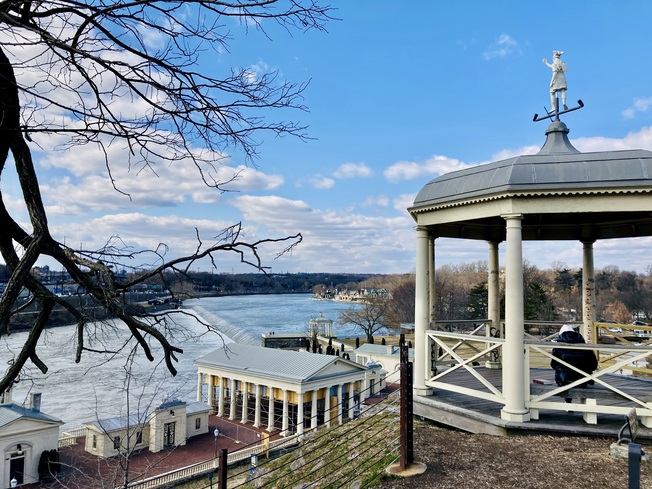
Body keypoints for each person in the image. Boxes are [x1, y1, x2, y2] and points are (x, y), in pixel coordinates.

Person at [551, 324, 598, 389]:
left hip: (564, 380)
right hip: (584, 381)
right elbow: (593, 366)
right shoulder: (586, 347)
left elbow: (553, 365)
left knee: (564, 378)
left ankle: (567, 397)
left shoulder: (558, 348)